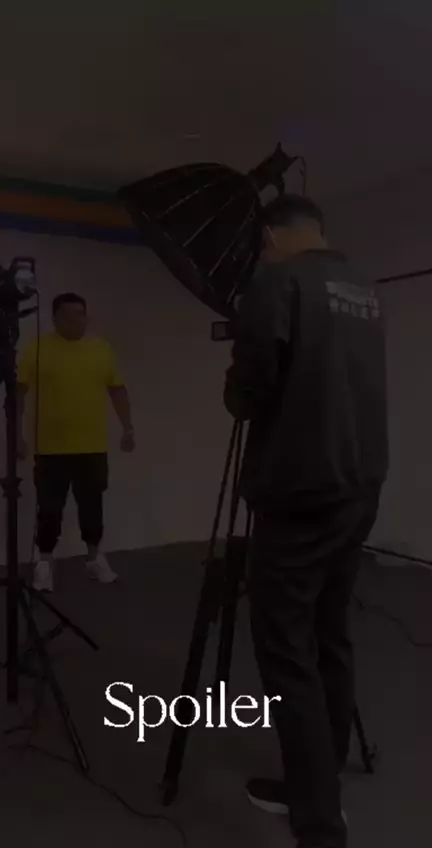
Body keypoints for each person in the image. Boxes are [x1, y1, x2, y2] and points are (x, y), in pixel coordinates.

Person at [224, 195, 388, 848]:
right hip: (359, 485)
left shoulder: (277, 281)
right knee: (329, 634)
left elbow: (249, 391)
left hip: (298, 491)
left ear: (270, 236)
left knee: (287, 651)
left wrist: (236, 376)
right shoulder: (363, 288)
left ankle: (317, 817)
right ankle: (325, 772)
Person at [17, 292, 135, 593]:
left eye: (80, 314)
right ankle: (44, 564)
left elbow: (117, 389)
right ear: (55, 318)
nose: (76, 320)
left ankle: (94, 560)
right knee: (49, 509)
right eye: (68, 315)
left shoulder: (101, 349)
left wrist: (127, 427)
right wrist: (16, 435)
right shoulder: (37, 348)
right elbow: (18, 392)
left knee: (92, 507)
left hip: (92, 447)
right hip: (50, 449)